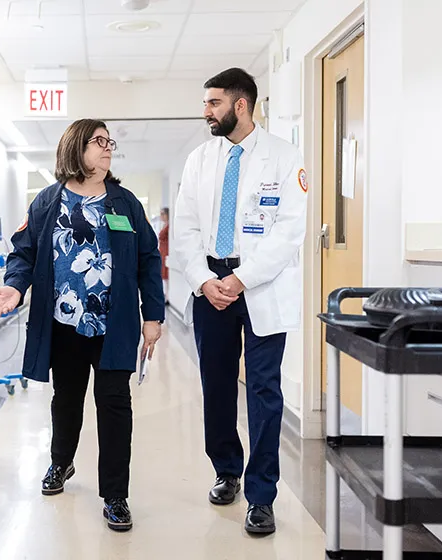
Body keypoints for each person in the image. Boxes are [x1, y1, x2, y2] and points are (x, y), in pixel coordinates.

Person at [0, 119, 164, 532]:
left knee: (115, 406)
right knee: (66, 401)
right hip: (63, 324)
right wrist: (15, 287)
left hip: (113, 325)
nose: (107, 149)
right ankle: (60, 463)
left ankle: (116, 495)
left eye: (109, 142)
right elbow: (23, 253)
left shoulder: (125, 204)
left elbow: (148, 260)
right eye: (98, 142)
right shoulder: (47, 202)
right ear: (75, 148)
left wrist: (152, 315)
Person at [173, 68, 308, 535]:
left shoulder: (285, 158)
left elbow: (290, 231)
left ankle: (262, 495)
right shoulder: (199, 160)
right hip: (211, 283)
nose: (205, 111)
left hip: (262, 285)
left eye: (213, 103)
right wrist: (202, 279)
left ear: (241, 104)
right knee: (215, 382)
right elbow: (186, 228)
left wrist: (243, 279)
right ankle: (226, 470)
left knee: (265, 390)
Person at [158, 207, 170, 302]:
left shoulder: (169, 226)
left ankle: (167, 296)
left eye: (163, 214)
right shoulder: (164, 225)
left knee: (166, 274)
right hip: (162, 251)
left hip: (166, 251)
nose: (161, 216)